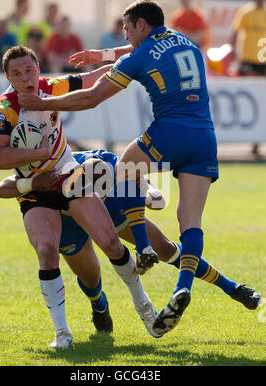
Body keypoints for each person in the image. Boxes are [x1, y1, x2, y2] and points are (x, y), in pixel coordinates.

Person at [18, 0, 223, 337]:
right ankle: (182, 287)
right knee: (190, 222)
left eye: (127, 29)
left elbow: (91, 98)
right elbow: (141, 49)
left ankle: (141, 247)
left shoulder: (139, 56)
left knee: (126, 168)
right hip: (205, 137)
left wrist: (43, 103)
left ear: (141, 25)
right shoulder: (184, 39)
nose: (125, 35)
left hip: (172, 130)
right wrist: (103, 55)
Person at [0, 45, 157, 349]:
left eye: (30, 71)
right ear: (8, 77)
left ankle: (142, 304)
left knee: (110, 243)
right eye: (17, 74)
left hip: (69, 175)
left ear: (38, 69)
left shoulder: (51, 88)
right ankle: (62, 332)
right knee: (47, 252)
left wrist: (127, 67)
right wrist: (38, 154)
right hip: (36, 188)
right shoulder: (5, 110)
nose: (26, 79)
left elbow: (91, 80)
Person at [0, 149, 262, 341]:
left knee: (165, 248)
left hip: (110, 209)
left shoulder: (101, 162)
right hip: (67, 224)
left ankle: (233, 288)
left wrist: (149, 192)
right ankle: (99, 307)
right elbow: (5, 187)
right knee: (90, 277)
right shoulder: (49, 174)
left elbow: (132, 172)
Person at [230, 0, 266, 156]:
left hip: (263, 61)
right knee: (248, 97)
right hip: (249, 60)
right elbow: (235, 33)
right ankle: (250, 136)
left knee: (261, 99)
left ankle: (257, 139)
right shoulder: (246, 12)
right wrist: (233, 54)